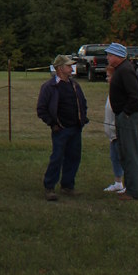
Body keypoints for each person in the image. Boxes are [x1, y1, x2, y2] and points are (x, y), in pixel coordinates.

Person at [37, 54, 89, 200]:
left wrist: (82, 118)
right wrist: (52, 124)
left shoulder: (74, 85)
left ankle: (67, 186)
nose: (71, 68)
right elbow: (41, 109)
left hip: (75, 128)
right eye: (68, 66)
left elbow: (82, 103)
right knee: (57, 158)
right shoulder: (49, 87)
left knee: (74, 157)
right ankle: (49, 187)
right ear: (60, 69)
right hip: (60, 129)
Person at [107, 41, 138, 201]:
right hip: (122, 115)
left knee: (130, 153)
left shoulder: (126, 70)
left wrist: (125, 113)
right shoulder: (120, 69)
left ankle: (134, 191)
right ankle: (129, 187)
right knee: (124, 153)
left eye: (110, 54)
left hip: (129, 117)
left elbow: (135, 95)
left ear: (118, 56)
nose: (107, 57)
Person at [103, 66, 125, 193]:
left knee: (123, 158)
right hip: (112, 134)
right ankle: (118, 182)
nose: (107, 79)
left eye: (109, 76)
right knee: (114, 157)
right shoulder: (111, 91)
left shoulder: (119, 93)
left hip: (119, 132)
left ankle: (128, 184)